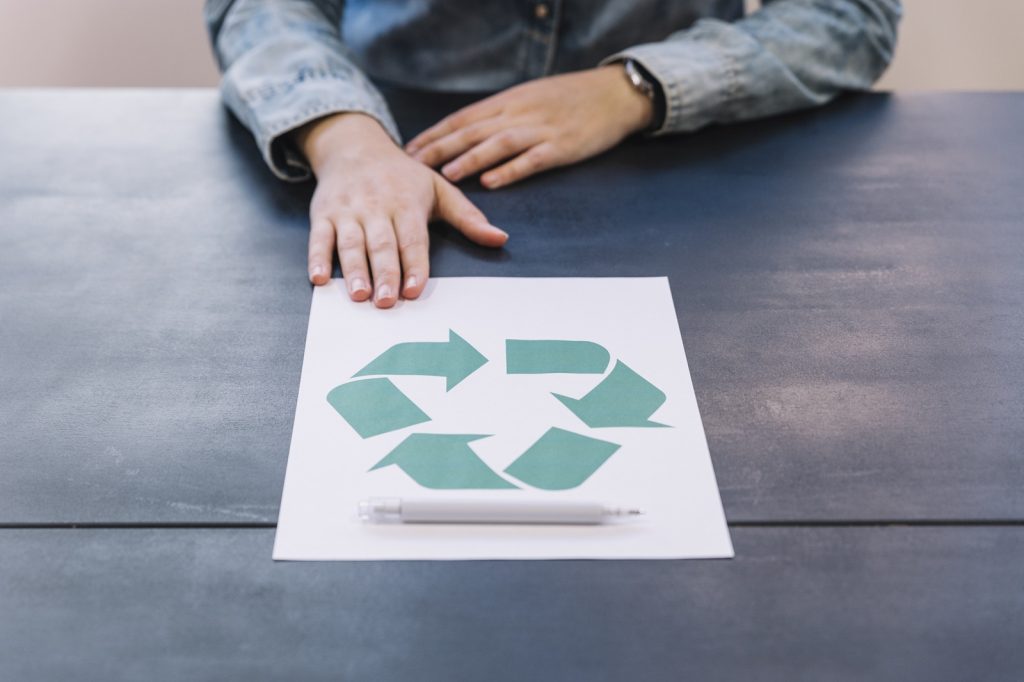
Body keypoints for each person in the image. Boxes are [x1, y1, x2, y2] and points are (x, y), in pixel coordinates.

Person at [205, 0, 900, 308]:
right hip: (388, 152)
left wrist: (634, 87)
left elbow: (850, 15)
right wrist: (344, 136)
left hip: (681, 176)